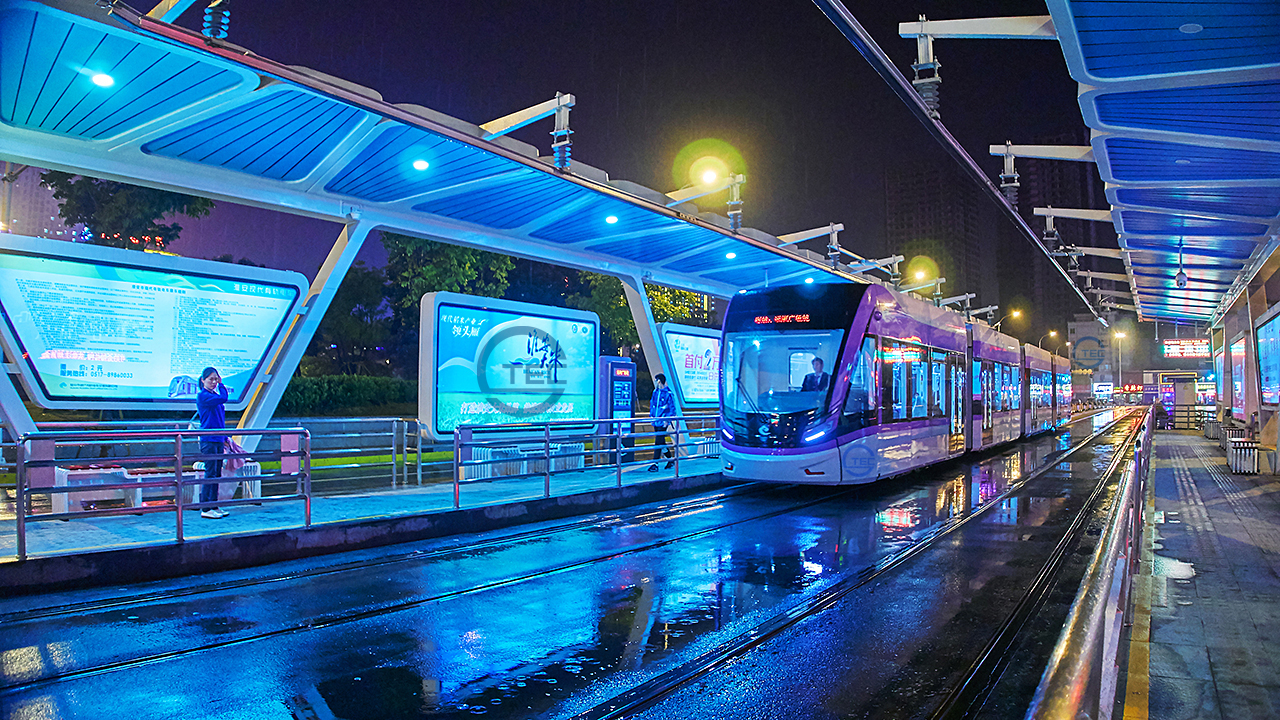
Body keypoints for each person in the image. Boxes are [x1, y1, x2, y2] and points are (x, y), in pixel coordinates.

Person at [196, 367, 229, 519]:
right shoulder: (203, 396)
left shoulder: (213, 395)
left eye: (216, 379)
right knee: (210, 473)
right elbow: (224, 398)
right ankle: (206, 507)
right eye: (211, 379)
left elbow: (219, 418)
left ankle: (214, 505)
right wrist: (222, 385)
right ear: (203, 380)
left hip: (218, 438)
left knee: (216, 473)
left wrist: (224, 437)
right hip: (208, 439)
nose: (214, 382)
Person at [649, 373, 677, 471]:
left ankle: (655, 463)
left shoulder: (668, 393)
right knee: (661, 441)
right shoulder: (655, 392)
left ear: (659, 381)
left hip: (663, 421)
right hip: (656, 421)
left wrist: (667, 420)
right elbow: (652, 404)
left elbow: (672, 409)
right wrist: (651, 416)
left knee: (658, 441)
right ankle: (670, 460)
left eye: (656, 380)